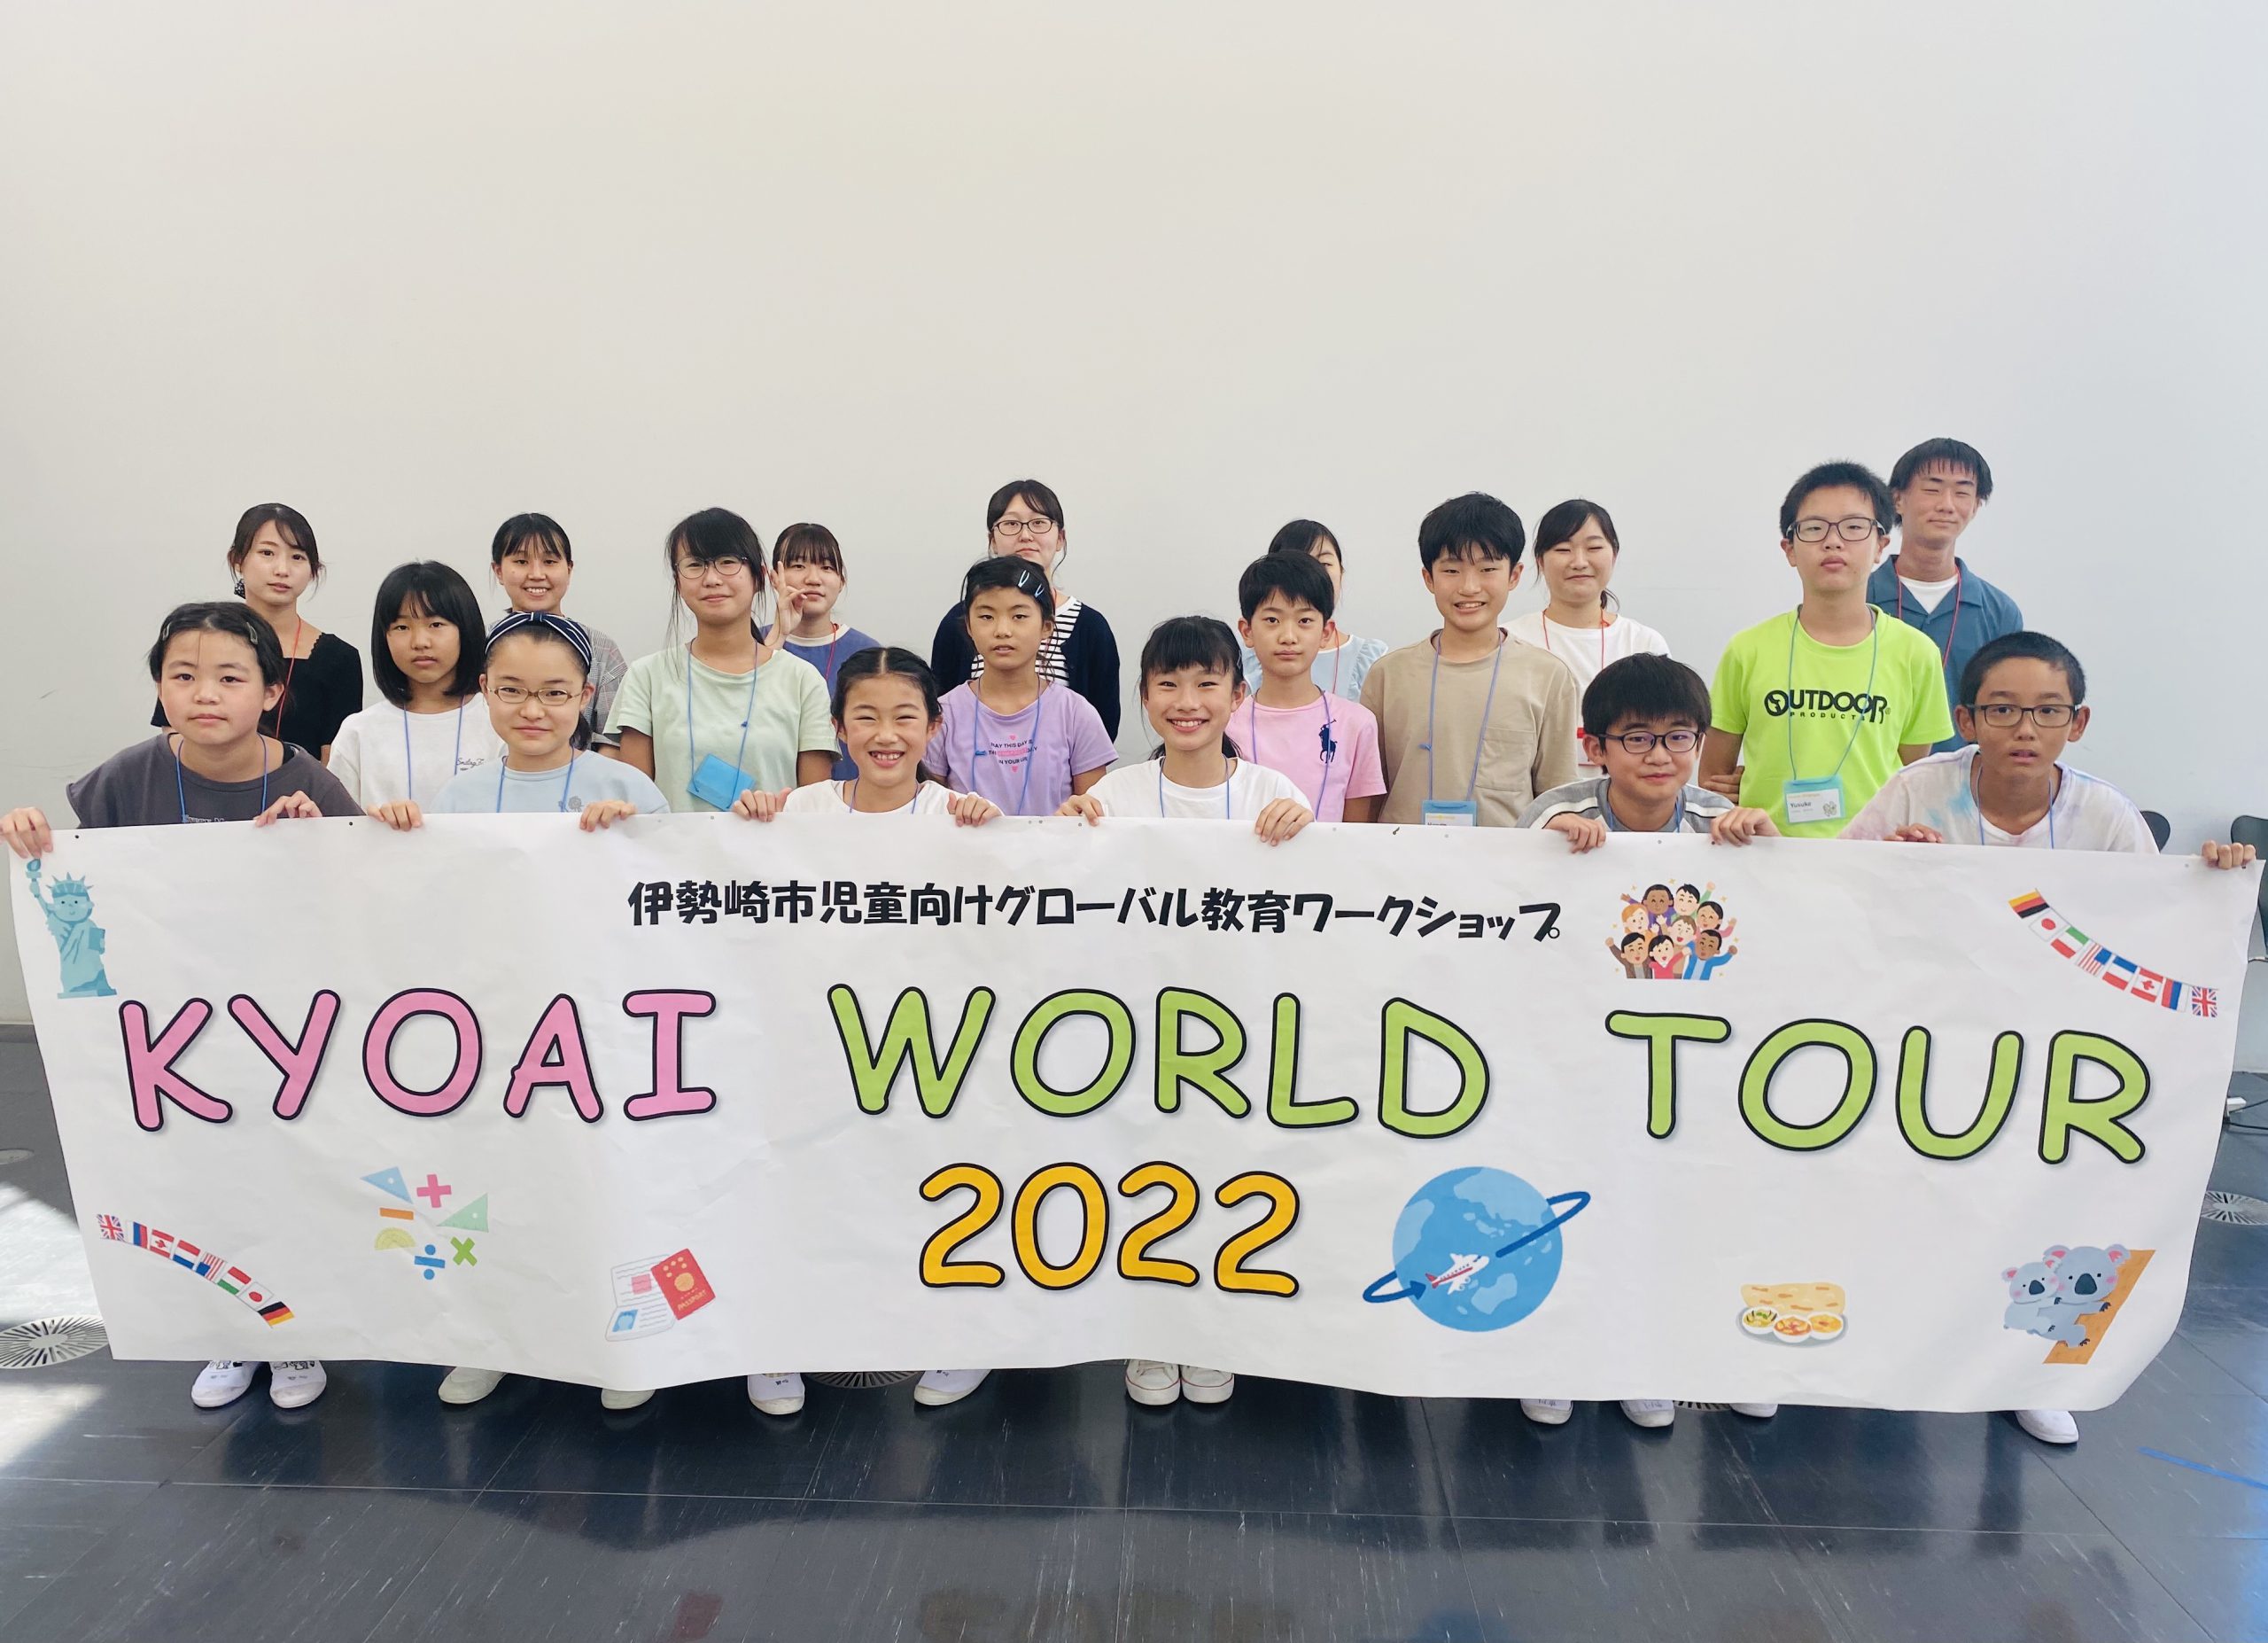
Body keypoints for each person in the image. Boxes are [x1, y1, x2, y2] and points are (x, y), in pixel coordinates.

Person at [1844, 630, 2256, 1446]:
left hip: (2054, 1049)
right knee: (1916, 1198)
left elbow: (2156, 924)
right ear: (1967, 718)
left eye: (2047, 711)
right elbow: (1834, 889)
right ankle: (1879, 1349)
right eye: (2002, 710)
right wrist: (1891, 866)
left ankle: (2031, 1371)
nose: (2024, 729)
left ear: (2079, 721)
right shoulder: (1916, 791)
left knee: (2048, 1199)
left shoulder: (2104, 814)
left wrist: (2214, 875)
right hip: (1930, 1034)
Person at [9, 601, 359, 1413]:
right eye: (183, 676)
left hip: (283, 1034)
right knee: (200, 1180)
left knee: (285, 1175)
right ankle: (228, 1331)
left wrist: (322, 842)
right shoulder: (125, 777)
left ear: (272, 692)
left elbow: (358, 900)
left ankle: (295, 1333)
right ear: (160, 688)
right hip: (171, 1034)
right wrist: (32, 833)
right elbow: (81, 875)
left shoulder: (310, 782)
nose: (206, 694)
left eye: (231, 678)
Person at [362, 611, 666, 1412]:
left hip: (602, 1034)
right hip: (498, 1031)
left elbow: (670, 911)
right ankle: (493, 1338)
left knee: (599, 1185)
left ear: (586, 698)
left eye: (555, 693)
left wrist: (635, 840)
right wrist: (395, 836)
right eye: (513, 691)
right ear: (484, 693)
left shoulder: (629, 790)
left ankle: (618, 1340)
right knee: (497, 1185)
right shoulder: (457, 798)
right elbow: (425, 909)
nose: (533, 710)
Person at [726, 647, 1003, 1413]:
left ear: (934, 726)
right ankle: (777, 1338)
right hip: (816, 1047)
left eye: (905, 717)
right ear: (839, 728)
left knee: (939, 1189)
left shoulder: (958, 817)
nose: (886, 735)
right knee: (803, 1184)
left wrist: (997, 837)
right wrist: (747, 825)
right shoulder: (801, 812)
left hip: (930, 1049)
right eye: (867, 717)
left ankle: (961, 1337)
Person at [1059, 616, 1311, 1408]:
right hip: (1139, 1028)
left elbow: (1314, 902)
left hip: (1241, 1029)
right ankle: (1153, 1332)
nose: (1187, 701)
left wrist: (1309, 835)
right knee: (1146, 1175)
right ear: (1143, 697)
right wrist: (1064, 836)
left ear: (1238, 695)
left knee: (1229, 1176)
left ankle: (1213, 1331)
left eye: (1207, 683)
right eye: (1168, 684)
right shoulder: (1114, 796)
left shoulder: (1273, 794)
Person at [1518, 653, 1775, 1427]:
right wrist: (1544, 842)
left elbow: (1778, 922)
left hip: (1685, 1062)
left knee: (1666, 1205)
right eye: (1637, 738)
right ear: (1595, 745)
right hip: (1577, 1051)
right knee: (1571, 1195)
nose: (1659, 755)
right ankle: (1557, 1354)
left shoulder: (1717, 821)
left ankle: (1644, 1356)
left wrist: (1767, 844)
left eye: (1678, 736)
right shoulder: (1558, 809)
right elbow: (1508, 898)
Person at [1699, 463, 1953, 837]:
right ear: (1789, 549)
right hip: (1765, 852)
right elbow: (1713, 779)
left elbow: (1910, 775)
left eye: (1854, 527)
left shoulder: (1916, 653)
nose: (1833, 542)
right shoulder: (1747, 650)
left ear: (1881, 546)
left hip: (1873, 853)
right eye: (1815, 528)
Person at [1361, 493, 1580, 826]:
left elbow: (1556, 799)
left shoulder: (1548, 676)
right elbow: (1368, 794)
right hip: (1402, 855)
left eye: (1488, 569)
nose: (1469, 587)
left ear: (1514, 575)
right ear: (1429, 578)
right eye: (1451, 570)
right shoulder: (1387, 676)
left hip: (1507, 856)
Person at [609, 509, 836, 809]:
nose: (712, 579)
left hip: (773, 841)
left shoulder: (803, 681)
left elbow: (814, 809)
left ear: (759, 577)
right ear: (678, 582)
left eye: (728, 562)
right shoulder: (646, 677)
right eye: (695, 565)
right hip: (672, 842)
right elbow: (636, 806)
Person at [150, 504, 363, 759]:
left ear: (313, 570)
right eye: (267, 553)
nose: (282, 569)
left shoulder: (339, 658)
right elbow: (177, 742)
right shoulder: (197, 643)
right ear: (237, 560)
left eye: (297, 557)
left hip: (300, 786)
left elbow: (336, 763)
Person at [928, 479, 1122, 738]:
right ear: (992, 540)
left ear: (1060, 538)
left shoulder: (1090, 625)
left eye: (1039, 523)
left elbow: (1102, 727)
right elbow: (938, 713)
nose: (1026, 535)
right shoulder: (960, 619)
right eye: (1011, 524)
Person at [929, 557, 1116, 814]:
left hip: (1055, 843)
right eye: (986, 616)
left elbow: (1092, 815)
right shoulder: (942, 716)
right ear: (969, 627)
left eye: (1019, 616)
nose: (1002, 630)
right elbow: (931, 813)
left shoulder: (1076, 713)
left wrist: (1073, 816)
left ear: (1046, 627)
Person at [1869, 439, 2023, 751]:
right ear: (1897, 499)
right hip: (1871, 777)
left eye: (1963, 493)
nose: (1947, 505)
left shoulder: (1998, 612)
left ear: (1976, 506)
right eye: (1932, 489)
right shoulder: (1858, 598)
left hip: (1963, 777)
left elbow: (2007, 711)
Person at [1506, 500, 1672, 775]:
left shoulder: (1643, 643)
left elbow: (1661, 733)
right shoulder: (1510, 639)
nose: (1579, 562)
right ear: (1540, 561)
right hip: (1533, 795)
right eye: (1563, 549)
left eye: (1594, 548)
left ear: (1614, 555)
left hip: (1622, 796)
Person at [325, 562, 502, 806]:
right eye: (402, 627)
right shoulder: (359, 732)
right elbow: (337, 821)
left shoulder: (500, 721)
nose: (420, 642)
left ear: (465, 629)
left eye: (436, 624)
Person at [1232, 550, 1385, 822]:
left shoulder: (1357, 724)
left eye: (1304, 621)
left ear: (1325, 633)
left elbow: (1356, 831)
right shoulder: (1225, 724)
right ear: (1247, 631)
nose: (1288, 637)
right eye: (1272, 620)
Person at [489, 513, 631, 750]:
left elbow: (614, 741)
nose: (536, 574)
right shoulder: (478, 642)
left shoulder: (600, 648)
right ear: (499, 571)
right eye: (521, 562)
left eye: (549, 561)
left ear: (569, 569)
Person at [765, 522, 883, 779]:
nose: (813, 578)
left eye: (827, 568)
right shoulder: (754, 644)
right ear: (774, 577)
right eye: (798, 566)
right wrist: (778, 635)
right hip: (767, 794)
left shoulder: (868, 654)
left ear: (841, 581)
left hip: (849, 795)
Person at [1240, 520, 1389, 701]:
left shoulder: (1371, 659)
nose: (1312, 574)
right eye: (1298, 564)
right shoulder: (1242, 660)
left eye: (1324, 563)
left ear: (1341, 572)